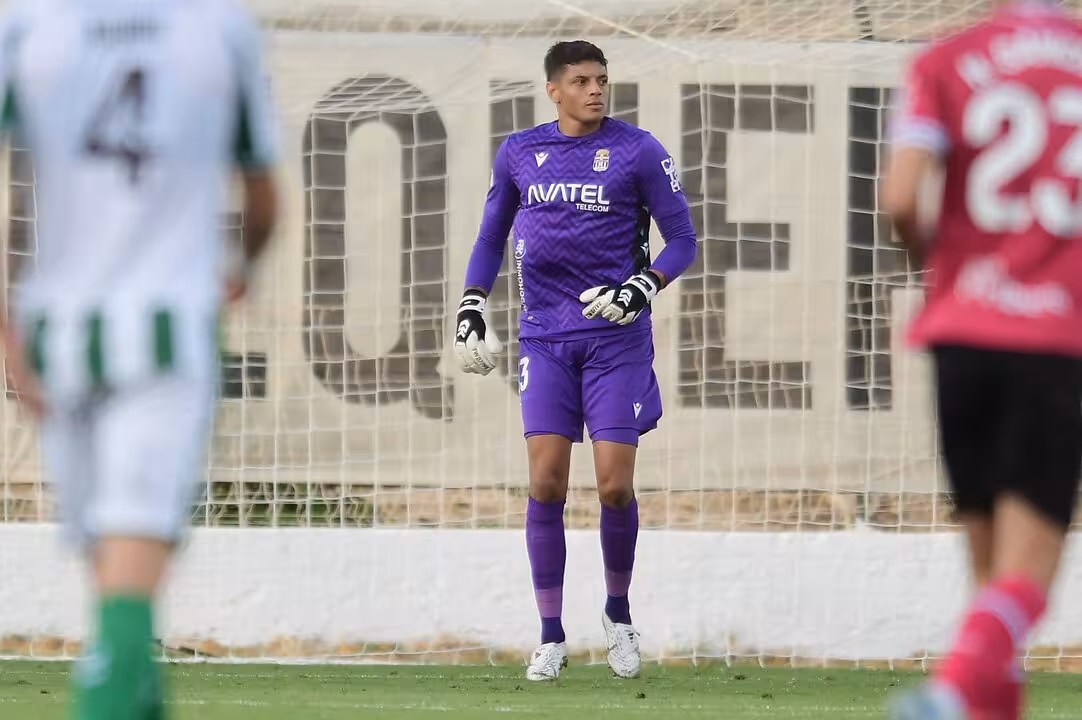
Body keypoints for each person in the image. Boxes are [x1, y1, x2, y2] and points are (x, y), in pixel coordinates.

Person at [0, 1, 278, 717]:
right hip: (168, 329)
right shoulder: (219, 27)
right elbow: (263, 197)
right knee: (128, 585)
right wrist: (240, 264)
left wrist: (7, 329)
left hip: (58, 335)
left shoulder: (27, 23)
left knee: (113, 578)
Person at [454, 40, 697, 681]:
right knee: (546, 481)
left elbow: (683, 239)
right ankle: (550, 636)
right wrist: (472, 302)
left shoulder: (638, 150)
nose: (595, 91)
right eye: (582, 81)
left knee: (614, 483)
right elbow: (490, 234)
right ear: (553, 90)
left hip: (616, 339)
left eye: (602, 80)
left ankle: (618, 615)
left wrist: (643, 285)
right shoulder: (519, 152)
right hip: (545, 338)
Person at [882, 1, 1082, 717]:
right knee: (1030, 572)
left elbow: (900, 199)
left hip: (962, 331)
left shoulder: (944, 59)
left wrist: (946, 268)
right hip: (1055, 338)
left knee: (991, 578)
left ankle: (980, 698)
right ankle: (949, 690)